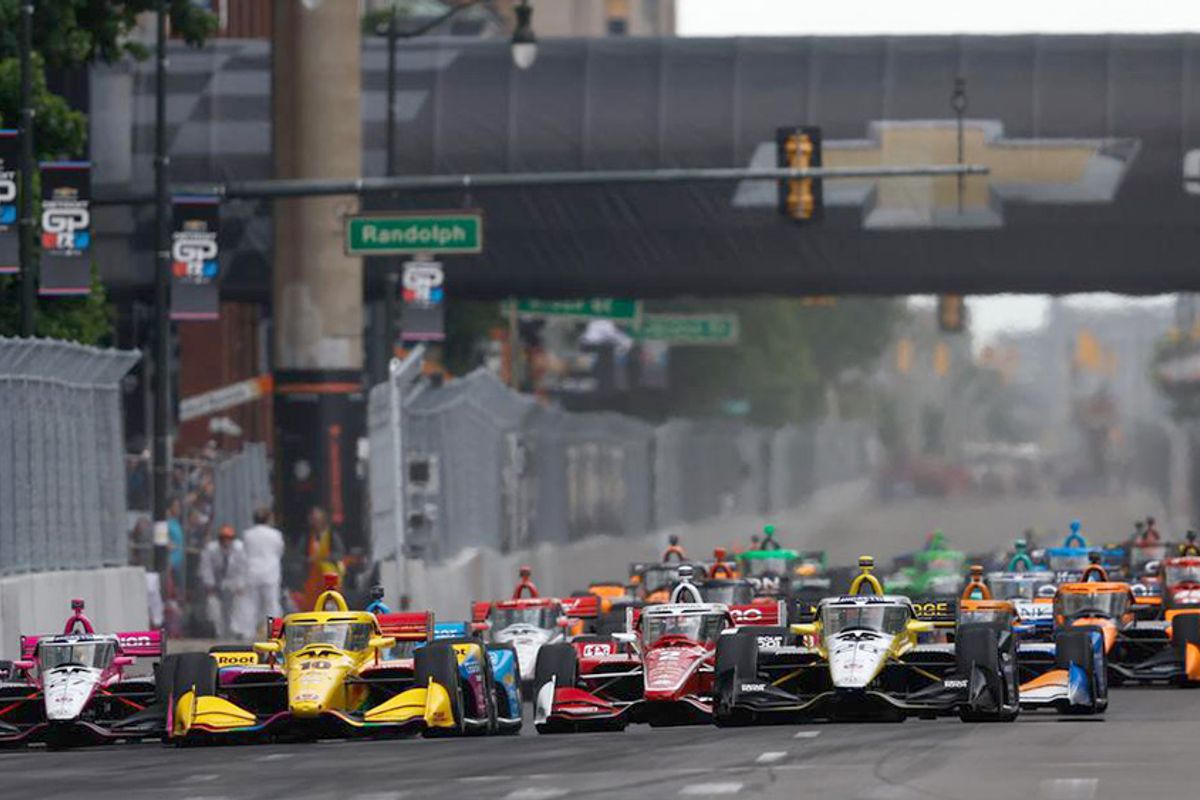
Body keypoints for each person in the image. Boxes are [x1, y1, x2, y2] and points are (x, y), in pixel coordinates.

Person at [198, 525, 251, 639]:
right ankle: (218, 631)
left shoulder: (239, 548)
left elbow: (244, 568)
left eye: (229, 538)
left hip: (233, 580)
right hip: (216, 581)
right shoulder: (211, 549)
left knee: (239, 603)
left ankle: (238, 630)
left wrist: (241, 585)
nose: (227, 540)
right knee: (213, 604)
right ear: (220, 538)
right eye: (224, 538)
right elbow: (206, 567)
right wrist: (209, 585)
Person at [242, 507, 285, 634]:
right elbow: (279, 551)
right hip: (270, 572)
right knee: (272, 604)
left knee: (250, 603)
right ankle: (275, 632)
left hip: (252, 571)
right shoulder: (276, 534)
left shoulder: (247, 534)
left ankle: (247, 632)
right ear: (268, 519)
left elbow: (245, 552)